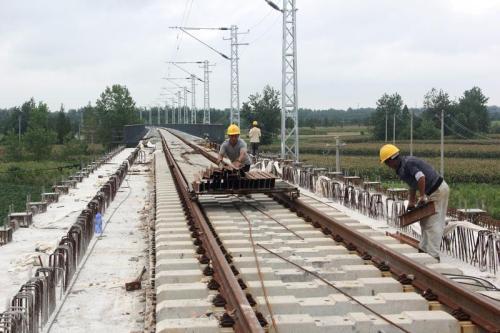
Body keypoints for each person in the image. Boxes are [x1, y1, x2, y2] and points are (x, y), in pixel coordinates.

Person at [379, 144, 449, 261]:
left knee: (433, 223)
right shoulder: (401, 168)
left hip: (438, 190)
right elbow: (413, 183)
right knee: (425, 222)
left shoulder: (408, 163)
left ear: (392, 159)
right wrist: (411, 202)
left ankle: (433, 256)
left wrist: (421, 196)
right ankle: (424, 249)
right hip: (433, 191)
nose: (387, 165)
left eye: (387, 162)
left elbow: (421, 178)